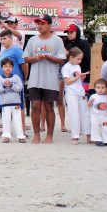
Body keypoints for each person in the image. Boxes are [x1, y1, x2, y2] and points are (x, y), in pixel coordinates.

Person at [23, 14, 67, 144]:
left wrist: (47, 57)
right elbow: (25, 58)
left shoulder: (57, 40)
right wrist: (36, 58)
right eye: (38, 23)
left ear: (49, 25)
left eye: (42, 23)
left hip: (51, 79)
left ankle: (49, 136)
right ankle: (36, 135)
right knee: (35, 105)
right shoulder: (32, 40)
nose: (39, 26)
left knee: (49, 106)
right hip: (35, 79)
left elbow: (61, 60)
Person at [0, 30, 28, 131]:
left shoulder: (17, 50)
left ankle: (22, 129)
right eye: (1, 39)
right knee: (5, 106)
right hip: (3, 84)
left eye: (4, 38)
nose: (2, 41)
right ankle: (7, 130)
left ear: (11, 38)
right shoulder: (3, 52)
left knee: (20, 106)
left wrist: (24, 78)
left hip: (15, 83)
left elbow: (24, 65)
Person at [61, 47, 91, 144]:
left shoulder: (78, 67)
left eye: (81, 59)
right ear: (71, 57)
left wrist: (82, 77)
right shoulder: (66, 67)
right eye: (78, 58)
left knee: (85, 113)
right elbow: (68, 82)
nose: (80, 61)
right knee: (74, 114)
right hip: (71, 92)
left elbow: (79, 81)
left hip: (80, 91)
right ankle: (75, 136)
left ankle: (88, 134)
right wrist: (78, 76)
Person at [0, 58, 26, 143]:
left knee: (17, 119)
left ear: (12, 68)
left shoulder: (16, 78)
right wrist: (4, 86)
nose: (7, 68)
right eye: (5, 66)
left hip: (16, 103)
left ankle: (20, 136)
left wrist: (11, 85)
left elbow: (20, 88)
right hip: (5, 103)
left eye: (10, 66)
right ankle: (6, 136)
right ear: (2, 68)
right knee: (6, 120)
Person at [88, 79, 107, 147]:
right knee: (96, 127)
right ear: (95, 88)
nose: (100, 89)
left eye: (102, 88)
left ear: (106, 88)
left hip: (105, 115)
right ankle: (97, 140)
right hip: (95, 115)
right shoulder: (93, 96)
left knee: (106, 127)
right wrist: (90, 101)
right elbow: (89, 105)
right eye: (98, 88)